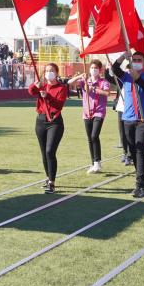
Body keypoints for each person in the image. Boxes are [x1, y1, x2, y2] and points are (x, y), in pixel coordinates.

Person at [111, 50, 144, 198]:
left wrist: (138, 79)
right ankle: (142, 178)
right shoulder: (126, 76)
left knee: (140, 149)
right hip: (128, 118)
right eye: (134, 59)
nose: (136, 62)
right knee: (133, 150)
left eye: (139, 60)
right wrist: (123, 57)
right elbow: (114, 70)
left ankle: (139, 184)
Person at [28, 63, 68, 194]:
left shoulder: (61, 88)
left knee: (50, 151)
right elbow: (31, 91)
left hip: (54, 122)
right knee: (44, 152)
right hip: (40, 121)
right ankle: (47, 177)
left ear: (56, 72)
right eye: (46, 71)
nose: (49, 73)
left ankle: (52, 182)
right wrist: (35, 85)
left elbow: (59, 104)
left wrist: (48, 97)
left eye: (51, 71)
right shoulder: (42, 85)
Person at [68, 60, 110, 174]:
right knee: (90, 138)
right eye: (91, 68)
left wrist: (93, 89)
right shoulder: (85, 81)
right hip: (86, 113)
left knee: (94, 135)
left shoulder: (103, 81)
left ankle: (97, 162)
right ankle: (94, 163)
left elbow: (107, 93)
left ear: (100, 70)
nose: (93, 70)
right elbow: (69, 83)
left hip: (99, 112)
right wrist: (80, 77)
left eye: (96, 68)